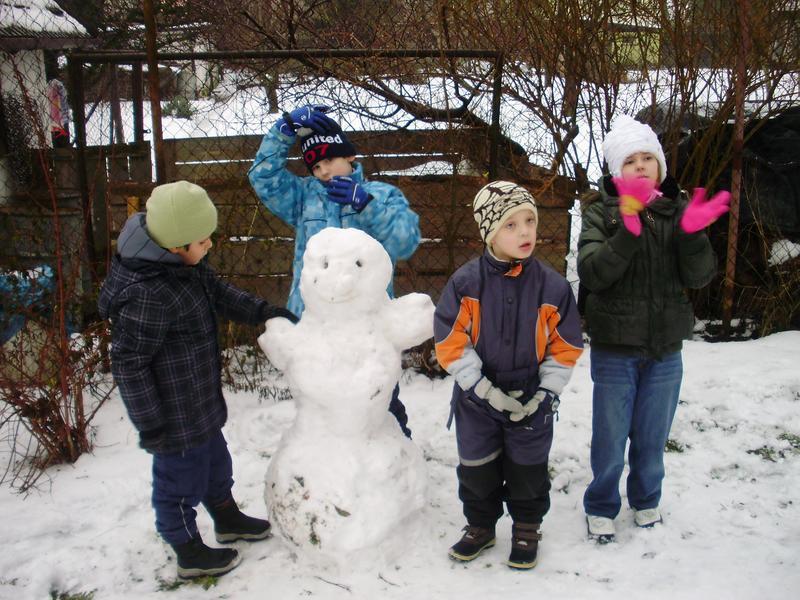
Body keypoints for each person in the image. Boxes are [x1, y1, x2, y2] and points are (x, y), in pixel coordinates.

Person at [98, 181, 298, 579]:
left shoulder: (183, 266)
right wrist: (151, 422)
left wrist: (263, 311)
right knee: (178, 483)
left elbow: (220, 294)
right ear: (175, 246)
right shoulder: (147, 293)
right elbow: (130, 363)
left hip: (198, 400)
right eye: (203, 241)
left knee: (216, 464)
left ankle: (226, 518)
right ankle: (186, 548)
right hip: (170, 416)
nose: (209, 246)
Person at [579, 115, 729, 543]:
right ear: (616, 172)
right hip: (615, 348)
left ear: (660, 166)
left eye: (648, 158)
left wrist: (693, 235)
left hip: (665, 348)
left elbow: (700, 277)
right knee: (610, 437)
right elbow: (592, 273)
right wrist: (626, 234)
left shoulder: (676, 211)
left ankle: (646, 499)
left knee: (652, 434)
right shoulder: (600, 213)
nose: (641, 165)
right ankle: (601, 505)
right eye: (630, 160)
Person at [433, 181, 584, 569]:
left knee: (527, 468)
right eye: (510, 225)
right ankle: (480, 526)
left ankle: (527, 527)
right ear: (490, 232)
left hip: (531, 393)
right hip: (476, 397)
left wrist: (546, 393)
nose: (524, 232)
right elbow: (450, 340)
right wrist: (481, 388)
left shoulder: (553, 287)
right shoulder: (466, 283)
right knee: (477, 466)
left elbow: (565, 345)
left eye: (529, 221)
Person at [248, 104, 420, 437]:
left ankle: (396, 460)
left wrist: (365, 204)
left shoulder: (381, 195)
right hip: (316, 325)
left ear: (350, 156)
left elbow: (405, 240)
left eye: (329, 160)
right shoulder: (303, 197)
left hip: (368, 327)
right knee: (319, 406)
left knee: (380, 402)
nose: (324, 171)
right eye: (316, 166)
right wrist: (283, 130)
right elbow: (263, 177)